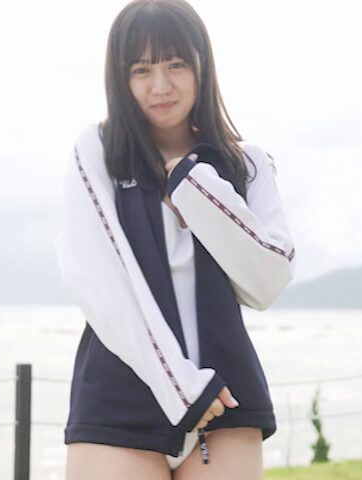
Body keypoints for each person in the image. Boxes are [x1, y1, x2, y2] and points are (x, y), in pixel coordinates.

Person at [54, 0, 296, 478]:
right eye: (141, 69)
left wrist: (195, 185)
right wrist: (182, 387)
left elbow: (267, 282)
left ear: (202, 65)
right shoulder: (98, 150)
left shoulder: (246, 163)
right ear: (119, 78)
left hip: (227, 402)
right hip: (120, 399)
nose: (160, 85)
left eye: (176, 64)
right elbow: (97, 279)